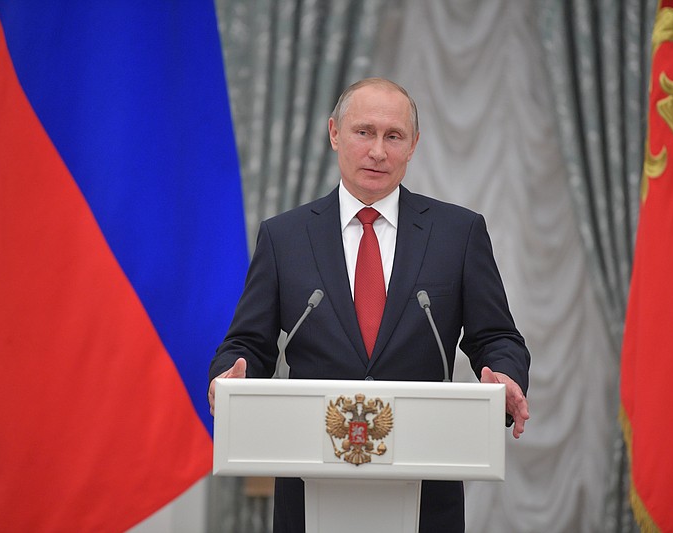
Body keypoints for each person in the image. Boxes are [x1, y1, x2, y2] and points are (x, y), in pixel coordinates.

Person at [208, 77, 531, 533]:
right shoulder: (285, 237)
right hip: (309, 485)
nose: (378, 150)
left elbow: (496, 337)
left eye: (393, 136)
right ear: (335, 133)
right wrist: (229, 376)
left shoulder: (458, 234)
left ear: (413, 145)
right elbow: (247, 343)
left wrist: (507, 375)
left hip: (426, 485)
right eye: (364, 132)